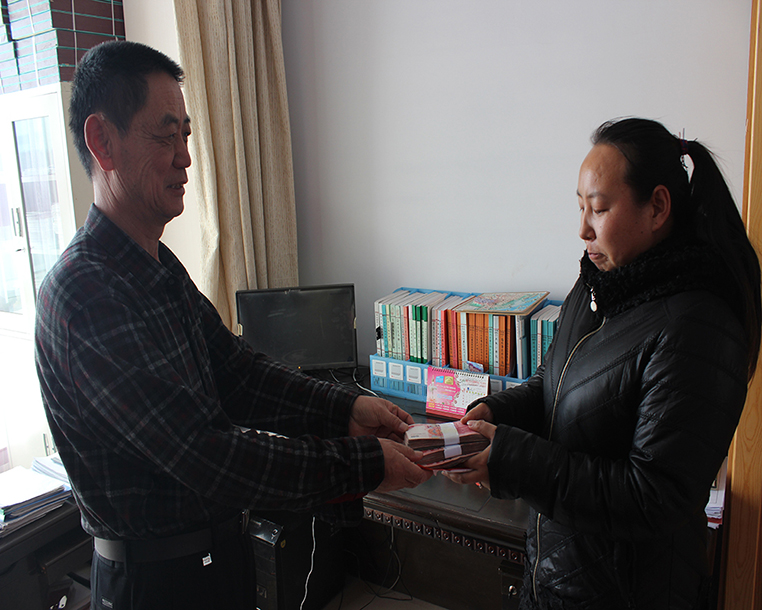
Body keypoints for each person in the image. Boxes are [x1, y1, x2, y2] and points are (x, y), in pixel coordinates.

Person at [34, 40, 431, 610]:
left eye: (186, 135)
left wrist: (344, 408)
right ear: (103, 141)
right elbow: (207, 456)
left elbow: (240, 375)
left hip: (218, 563)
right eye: (165, 136)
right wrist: (364, 465)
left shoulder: (157, 265)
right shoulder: (83, 295)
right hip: (155, 586)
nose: (185, 157)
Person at [446, 117, 761, 609]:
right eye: (580, 207)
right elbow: (552, 383)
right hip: (556, 577)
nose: (582, 229)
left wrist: (512, 460)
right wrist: (498, 413)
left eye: (598, 209)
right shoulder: (597, 284)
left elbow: (652, 496)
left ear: (657, 207)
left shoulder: (699, 326)